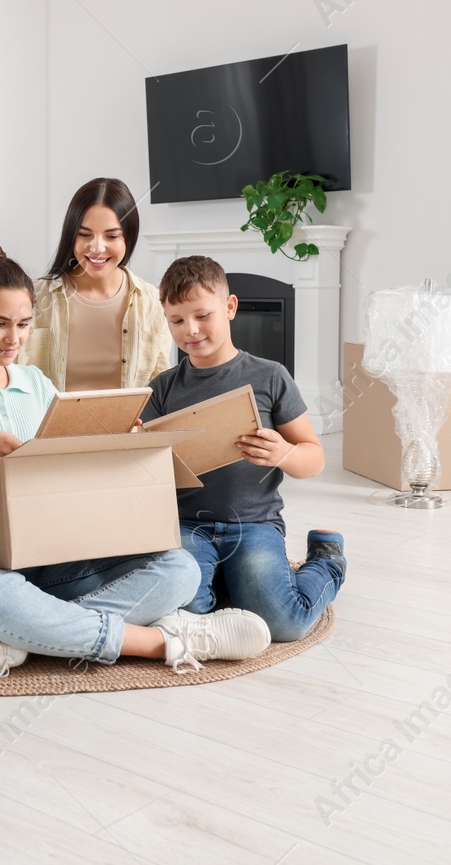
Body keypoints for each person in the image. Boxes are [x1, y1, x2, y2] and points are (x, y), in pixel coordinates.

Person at [0, 232, 271, 685]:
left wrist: (120, 441)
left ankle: (12, 640)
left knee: (180, 567)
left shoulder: (36, 384)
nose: (14, 338)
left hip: (49, 558)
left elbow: (74, 454)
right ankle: (165, 642)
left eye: (24, 324)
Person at [141, 255, 345, 643]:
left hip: (254, 525)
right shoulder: (163, 387)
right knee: (185, 611)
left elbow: (314, 459)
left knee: (287, 623)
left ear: (230, 307)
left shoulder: (270, 376)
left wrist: (283, 453)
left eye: (202, 315)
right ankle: (228, 582)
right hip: (187, 527)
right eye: (177, 321)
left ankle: (327, 559)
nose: (191, 330)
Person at [21, 178, 172, 391]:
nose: (97, 247)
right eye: (84, 235)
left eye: (111, 236)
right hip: (48, 424)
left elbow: (160, 387)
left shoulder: (152, 303)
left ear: (128, 237)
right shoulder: (34, 298)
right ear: (70, 235)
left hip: (128, 425)